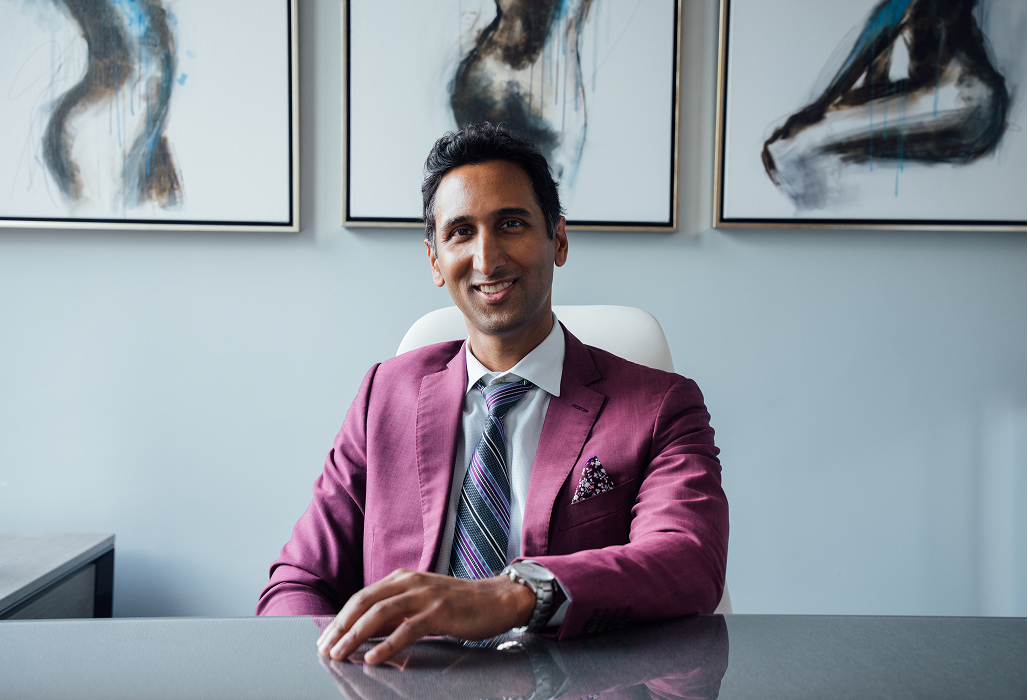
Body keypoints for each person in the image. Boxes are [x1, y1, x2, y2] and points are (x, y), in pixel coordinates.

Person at [257, 122, 728, 665]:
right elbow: (298, 581)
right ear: (435, 261)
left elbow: (689, 560)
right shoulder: (382, 396)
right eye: (460, 232)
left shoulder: (661, 405)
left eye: (510, 224)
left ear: (559, 240)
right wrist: (337, 668)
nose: (487, 258)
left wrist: (513, 596)